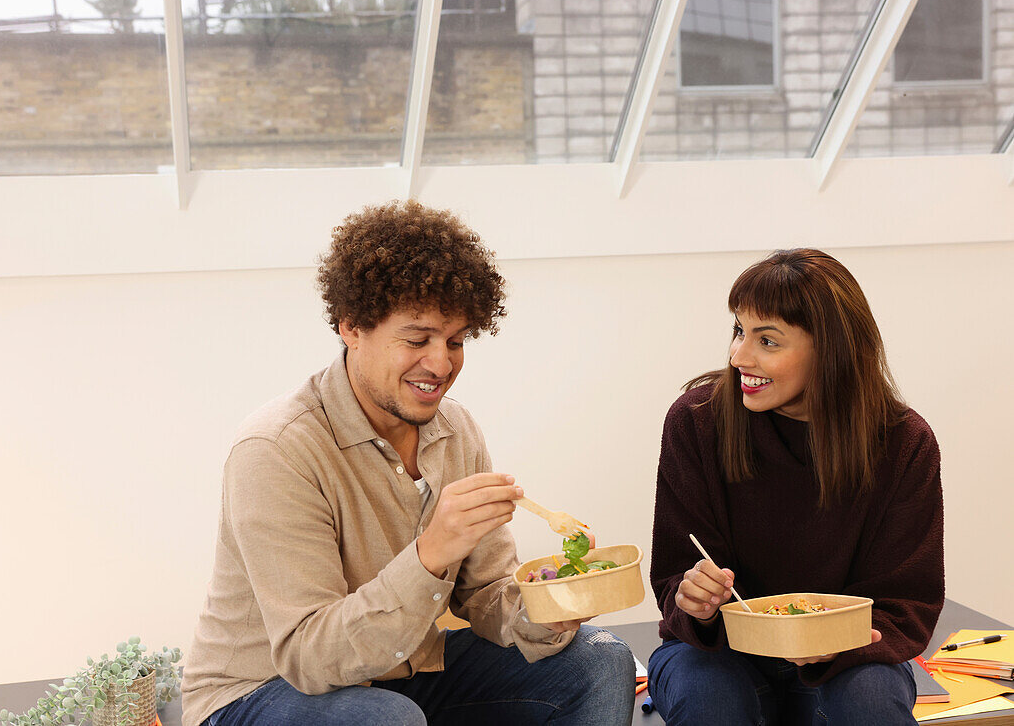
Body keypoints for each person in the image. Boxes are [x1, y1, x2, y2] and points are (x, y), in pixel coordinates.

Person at [181, 200, 635, 726]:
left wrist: (554, 609)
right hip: (261, 690)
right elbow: (309, 656)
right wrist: (431, 553)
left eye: (456, 341)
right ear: (352, 327)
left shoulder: (455, 431)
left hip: (402, 673)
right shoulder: (276, 450)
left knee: (600, 660)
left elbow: (486, 594)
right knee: (384, 717)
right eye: (417, 339)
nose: (441, 364)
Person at [647, 248, 944, 725]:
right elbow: (677, 572)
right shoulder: (697, 422)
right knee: (710, 701)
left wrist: (837, 641)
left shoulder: (905, 443)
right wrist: (696, 601)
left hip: (847, 660)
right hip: (717, 651)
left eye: (768, 340)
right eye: (739, 330)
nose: (738, 355)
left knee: (870, 701)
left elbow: (906, 598)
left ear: (832, 349)